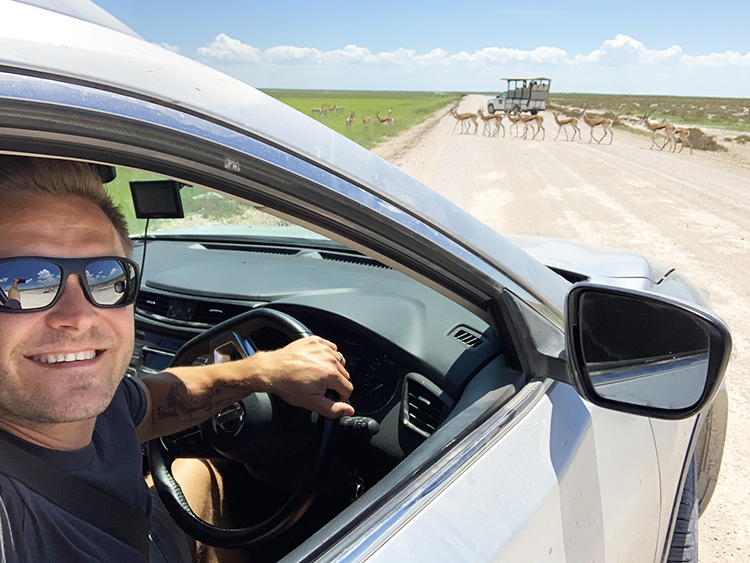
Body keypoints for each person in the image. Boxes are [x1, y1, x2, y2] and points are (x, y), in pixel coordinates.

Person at [0, 155, 355, 562]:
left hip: (142, 533)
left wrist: (264, 370)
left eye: (108, 278)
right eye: (22, 282)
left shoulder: (108, 403)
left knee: (203, 474)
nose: (79, 317)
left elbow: (150, 405)